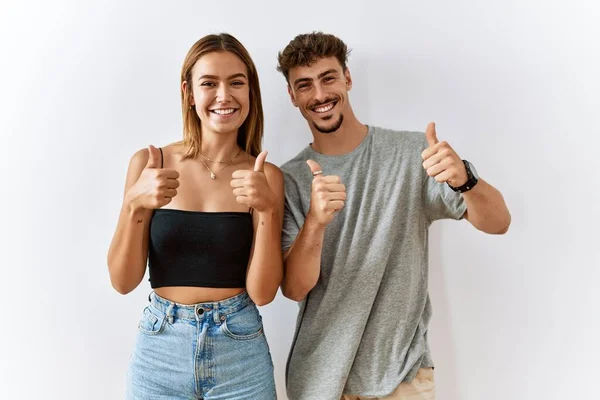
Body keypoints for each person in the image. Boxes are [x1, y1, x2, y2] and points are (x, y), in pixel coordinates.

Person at [276, 32, 511, 400]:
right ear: (292, 96)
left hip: (401, 378)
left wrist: (466, 179)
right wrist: (316, 222)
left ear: (348, 78)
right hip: (319, 382)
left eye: (328, 78)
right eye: (304, 85)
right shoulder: (290, 179)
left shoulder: (411, 153)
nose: (319, 95)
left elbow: (499, 222)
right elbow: (294, 289)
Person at [107, 33, 283, 400]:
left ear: (251, 92)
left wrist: (266, 210)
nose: (224, 95)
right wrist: (134, 205)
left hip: (240, 352)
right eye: (209, 83)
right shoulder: (149, 163)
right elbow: (123, 282)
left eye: (236, 82)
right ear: (189, 93)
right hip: (160, 351)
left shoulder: (265, 175)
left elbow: (264, 294)